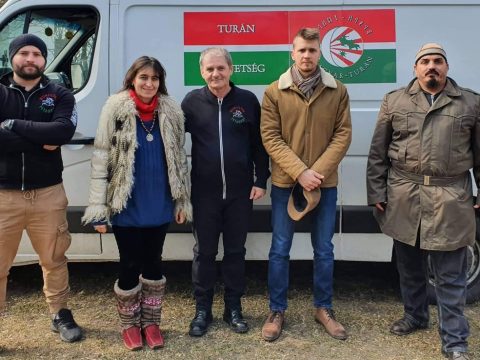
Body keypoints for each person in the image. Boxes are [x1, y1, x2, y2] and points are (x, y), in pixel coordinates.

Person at [366, 43, 477, 360]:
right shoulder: (395, 101)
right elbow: (378, 154)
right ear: (415, 68)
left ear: (446, 67)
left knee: (450, 276)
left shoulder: (470, 103)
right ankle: (415, 316)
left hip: (450, 198)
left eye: (438, 61)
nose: (432, 66)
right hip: (404, 195)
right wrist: (377, 193)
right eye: (425, 61)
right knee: (409, 267)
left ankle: (455, 342)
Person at [82, 56, 192, 351]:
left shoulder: (170, 110)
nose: (149, 83)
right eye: (143, 77)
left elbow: (180, 158)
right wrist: (98, 209)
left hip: (159, 202)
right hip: (125, 203)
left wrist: (181, 200)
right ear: (132, 79)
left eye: (154, 78)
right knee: (129, 265)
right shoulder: (116, 108)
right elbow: (101, 156)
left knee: (154, 264)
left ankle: (152, 322)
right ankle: (130, 325)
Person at [260, 28, 352, 342]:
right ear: (292, 52)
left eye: (312, 50)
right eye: (301, 50)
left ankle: (323, 308)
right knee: (279, 249)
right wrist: (300, 172)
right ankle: (276, 310)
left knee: (324, 250)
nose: (307, 56)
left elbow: (343, 136)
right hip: (287, 183)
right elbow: (270, 137)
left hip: (324, 185)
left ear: (320, 53)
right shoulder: (274, 91)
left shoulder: (337, 90)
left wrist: (317, 173)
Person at [181, 47, 270, 337]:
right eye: (209, 69)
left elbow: (259, 145)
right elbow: (171, 143)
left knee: (235, 252)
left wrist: (261, 180)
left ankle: (234, 308)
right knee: (204, 253)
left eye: (220, 68)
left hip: (239, 194)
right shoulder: (192, 102)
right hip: (204, 194)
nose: (215, 74)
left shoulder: (246, 101)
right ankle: (202, 310)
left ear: (231, 69)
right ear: (201, 72)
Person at [0, 34, 82, 343]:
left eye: (37, 53)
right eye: (24, 52)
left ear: (44, 60)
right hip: (3, 194)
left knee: (54, 259)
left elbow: (62, 131)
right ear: (13, 58)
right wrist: (41, 139)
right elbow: (49, 136)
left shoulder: (60, 95)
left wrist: (12, 126)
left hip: (47, 194)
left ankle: (59, 313)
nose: (30, 58)